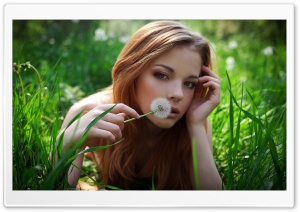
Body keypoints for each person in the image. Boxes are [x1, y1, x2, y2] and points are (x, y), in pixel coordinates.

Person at [59, 21, 222, 190]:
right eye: (162, 75)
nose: (178, 94)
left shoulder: (194, 121)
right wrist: (67, 144)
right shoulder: (88, 114)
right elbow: (60, 195)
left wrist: (196, 125)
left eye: (189, 84)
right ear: (133, 72)